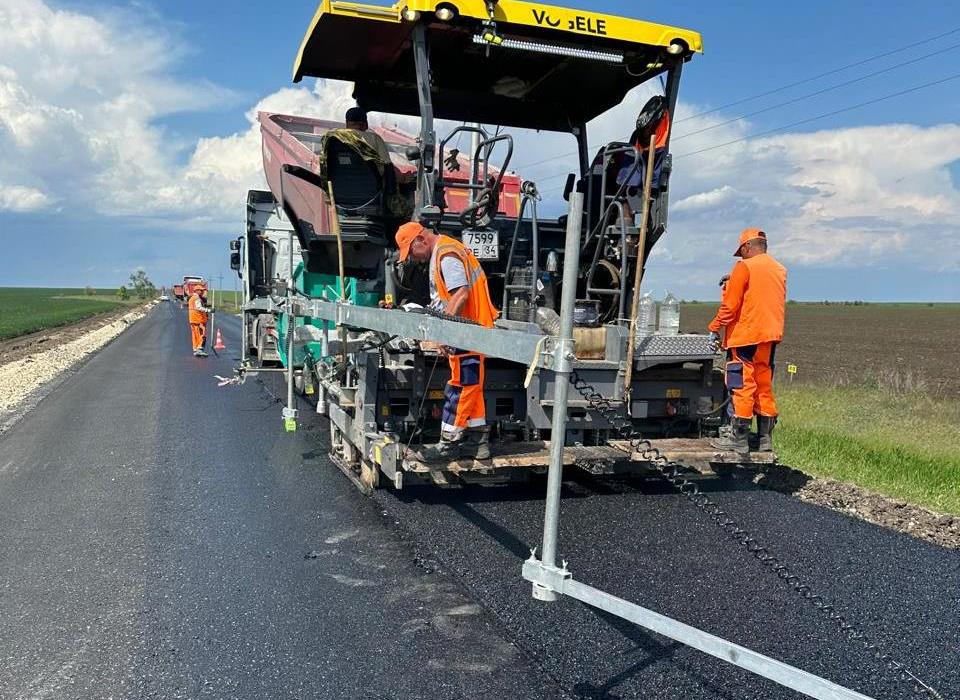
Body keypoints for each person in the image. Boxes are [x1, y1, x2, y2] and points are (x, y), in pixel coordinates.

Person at [395, 221, 499, 460]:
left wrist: (444, 332)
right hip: (469, 330)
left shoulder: (446, 254)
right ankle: (478, 442)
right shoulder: (444, 251)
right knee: (471, 386)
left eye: (411, 252)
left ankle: (447, 445)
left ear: (420, 239)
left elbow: (461, 293)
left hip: (467, 332)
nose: (414, 258)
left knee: (461, 385)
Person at [708, 228, 787, 454]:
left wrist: (714, 327)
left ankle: (739, 438)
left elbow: (730, 307)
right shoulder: (779, 269)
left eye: (741, 252)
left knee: (741, 383)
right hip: (769, 338)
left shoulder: (744, 267)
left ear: (746, 247)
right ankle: (764, 439)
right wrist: (735, 280)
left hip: (746, 336)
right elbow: (761, 294)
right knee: (763, 384)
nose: (740, 256)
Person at [187, 284, 213, 357]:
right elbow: (199, 308)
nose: (202, 292)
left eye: (202, 290)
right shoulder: (197, 298)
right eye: (201, 290)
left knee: (195, 335)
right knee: (201, 334)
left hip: (193, 319)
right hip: (198, 319)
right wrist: (209, 310)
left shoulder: (192, 298)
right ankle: (199, 349)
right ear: (197, 291)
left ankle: (195, 349)